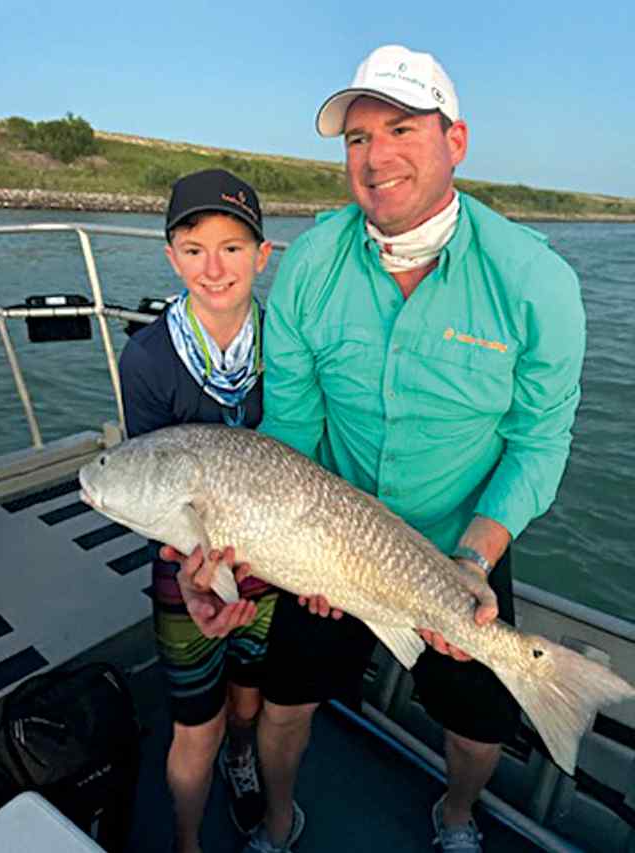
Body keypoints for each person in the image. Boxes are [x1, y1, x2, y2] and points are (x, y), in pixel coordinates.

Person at [175, 44, 585, 853]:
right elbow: (290, 436)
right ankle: (280, 821)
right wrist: (278, 557)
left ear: (455, 141)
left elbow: (540, 440)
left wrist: (475, 554)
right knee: (287, 699)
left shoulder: (537, 282)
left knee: (478, 721)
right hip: (328, 527)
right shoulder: (309, 268)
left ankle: (458, 817)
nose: (374, 158)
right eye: (356, 140)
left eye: (400, 128)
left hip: (459, 541)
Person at [118, 168, 276, 853]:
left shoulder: (288, 344)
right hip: (185, 563)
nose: (213, 268)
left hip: (272, 555)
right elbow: (147, 484)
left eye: (233, 247)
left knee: (247, 698)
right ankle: (188, 842)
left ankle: (243, 759)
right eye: (193, 248)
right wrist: (189, 569)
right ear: (170, 256)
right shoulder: (148, 357)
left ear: (263, 255)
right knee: (196, 723)